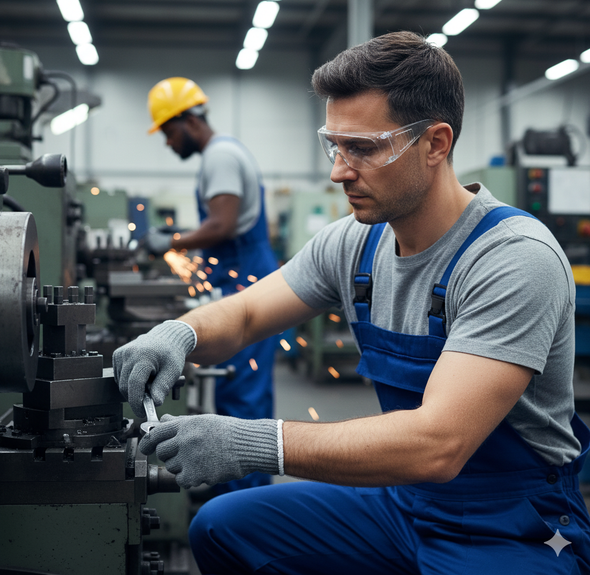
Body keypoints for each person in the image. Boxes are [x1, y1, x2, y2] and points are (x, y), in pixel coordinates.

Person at [114, 33, 590, 574]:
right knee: (224, 528)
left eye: (362, 148)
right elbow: (246, 313)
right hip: (406, 503)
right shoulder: (355, 243)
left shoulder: (511, 258)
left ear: (435, 144)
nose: (339, 171)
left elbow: (439, 444)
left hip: (514, 522)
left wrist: (257, 443)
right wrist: (180, 333)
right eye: (335, 146)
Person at [116, 77, 279, 494]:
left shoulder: (219, 156)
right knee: (238, 392)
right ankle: (238, 493)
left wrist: (169, 240)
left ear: (189, 120)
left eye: (170, 132)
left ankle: (248, 503)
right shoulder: (222, 153)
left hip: (246, 281)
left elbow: (222, 225)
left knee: (242, 400)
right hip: (238, 277)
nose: (169, 143)